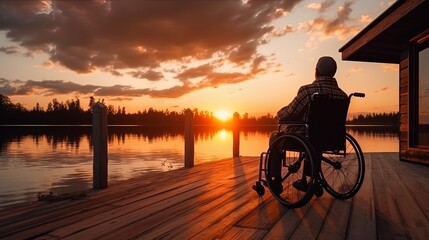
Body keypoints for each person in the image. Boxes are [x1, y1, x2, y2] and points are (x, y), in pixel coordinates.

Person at [268, 56, 347, 194]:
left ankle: (275, 180)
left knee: (275, 136)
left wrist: (279, 113)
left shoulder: (308, 91)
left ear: (316, 71)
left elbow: (291, 112)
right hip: (331, 138)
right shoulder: (343, 96)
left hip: (306, 138)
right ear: (334, 73)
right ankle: (310, 180)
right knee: (316, 138)